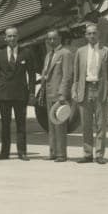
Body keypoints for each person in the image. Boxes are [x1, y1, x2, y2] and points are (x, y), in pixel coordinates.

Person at [72, 22, 108, 164]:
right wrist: (74, 90)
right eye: (89, 33)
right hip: (85, 90)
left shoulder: (106, 51)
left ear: (99, 34)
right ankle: (87, 154)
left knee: (100, 124)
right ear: (85, 36)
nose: (92, 35)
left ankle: (99, 155)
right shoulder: (80, 52)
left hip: (100, 90)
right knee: (86, 125)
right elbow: (76, 75)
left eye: (94, 33)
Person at [0, 25, 35, 160]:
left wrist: (31, 92)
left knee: (21, 124)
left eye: (14, 36)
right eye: (9, 36)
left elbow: (32, 74)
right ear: (5, 38)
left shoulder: (26, 53)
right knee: (5, 124)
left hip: (20, 94)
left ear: (18, 37)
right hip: (4, 95)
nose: (12, 38)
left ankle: (22, 151)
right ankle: (5, 152)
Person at [39, 29, 74, 162]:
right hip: (49, 94)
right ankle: (53, 152)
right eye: (49, 39)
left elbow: (67, 75)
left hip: (59, 94)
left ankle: (61, 154)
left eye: (54, 38)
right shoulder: (49, 55)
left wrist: (63, 94)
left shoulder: (65, 54)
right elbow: (45, 72)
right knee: (51, 125)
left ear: (60, 39)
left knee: (60, 125)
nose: (52, 41)